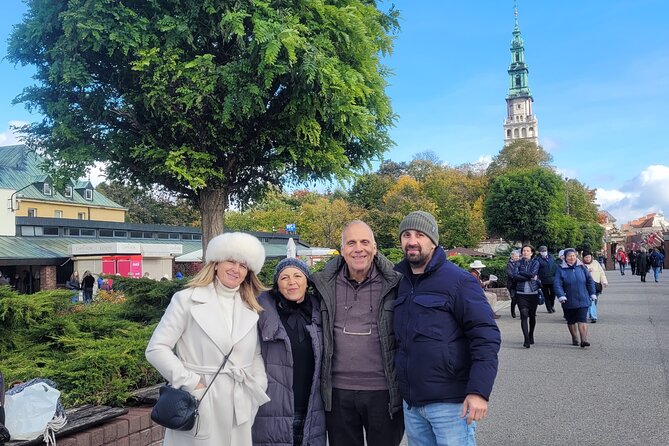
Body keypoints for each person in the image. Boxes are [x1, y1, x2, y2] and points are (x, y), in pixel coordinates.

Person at [145, 232, 270, 446]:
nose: (236, 269)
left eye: (243, 265)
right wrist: (193, 383)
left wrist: (258, 386)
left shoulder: (251, 307)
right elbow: (156, 349)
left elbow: (255, 354)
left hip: (240, 405)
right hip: (201, 400)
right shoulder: (186, 300)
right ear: (215, 264)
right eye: (231, 261)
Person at [394, 211, 500, 445]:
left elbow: (485, 336)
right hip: (412, 405)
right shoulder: (400, 283)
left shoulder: (459, 281)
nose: (412, 241)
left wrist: (479, 391)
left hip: (450, 405)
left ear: (433, 241)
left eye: (420, 235)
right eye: (406, 235)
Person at [311, 220, 404, 446]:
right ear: (342, 250)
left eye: (364, 242)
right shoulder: (322, 284)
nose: (358, 248)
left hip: (384, 392)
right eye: (351, 243)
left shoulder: (398, 282)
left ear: (374, 247)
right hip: (338, 392)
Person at [253, 258, 326, 446]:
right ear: (277, 283)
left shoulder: (320, 311)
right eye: (284, 277)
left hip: (312, 411)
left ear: (307, 281)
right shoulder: (261, 313)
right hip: (273, 411)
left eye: (297, 275)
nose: (291, 281)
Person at [554, 248, 596, 348]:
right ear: (565, 257)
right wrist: (561, 295)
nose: (572, 258)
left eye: (573, 255)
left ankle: (584, 340)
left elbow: (590, 281)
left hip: (583, 297)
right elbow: (557, 284)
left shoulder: (582, 267)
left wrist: (592, 293)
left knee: (582, 319)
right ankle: (575, 337)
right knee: (571, 320)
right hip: (568, 299)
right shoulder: (561, 269)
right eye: (569, 256)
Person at [512, 245, 541, 348]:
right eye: (524, 251)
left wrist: (522, 273)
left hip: (533, 293)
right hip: (521, 293)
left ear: (531, 252)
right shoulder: (517, 263)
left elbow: (534, 273)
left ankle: (531, 334)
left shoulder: (536, 262)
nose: (525, 252)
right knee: (524, 315)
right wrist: (529, 277)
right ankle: (526, 339)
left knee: (532, 315)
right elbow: (515, 276)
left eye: (527, 251)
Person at [582, 252, 608, 323]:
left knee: (594, 301)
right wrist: (587, 271)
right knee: (591, 300)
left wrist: (604, 281)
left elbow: (601, 273)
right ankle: (593, 316)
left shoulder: (596, 263)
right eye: (586, 257)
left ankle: (591, 313)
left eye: (589, 257)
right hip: (585, 286)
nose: (587, 259)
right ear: (583, 258)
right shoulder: (581, 265)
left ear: (591, 257)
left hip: (596, 285)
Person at [536, 246, 557, 313]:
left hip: (552, 279)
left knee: (553, 294)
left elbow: (555, 267)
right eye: (542, 251)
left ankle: (552, 305)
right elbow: (536, 270)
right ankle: (549, 308)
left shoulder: (551, 257)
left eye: (545, 250)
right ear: (540, 252)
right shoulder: (537, 259)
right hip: (543, 280)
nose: (544, 252)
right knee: (546, 295)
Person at [506, 250, 520, 318]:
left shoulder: (520, 263)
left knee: (520, 298)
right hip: (512, 284)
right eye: (516, 256)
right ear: (512, 256)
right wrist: (517, 277)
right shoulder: (509, 264)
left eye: (518, 256)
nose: (517, 257)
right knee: (514, 299)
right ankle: (513, 311)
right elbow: (510, 274)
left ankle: (522, 312)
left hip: (519, 284)